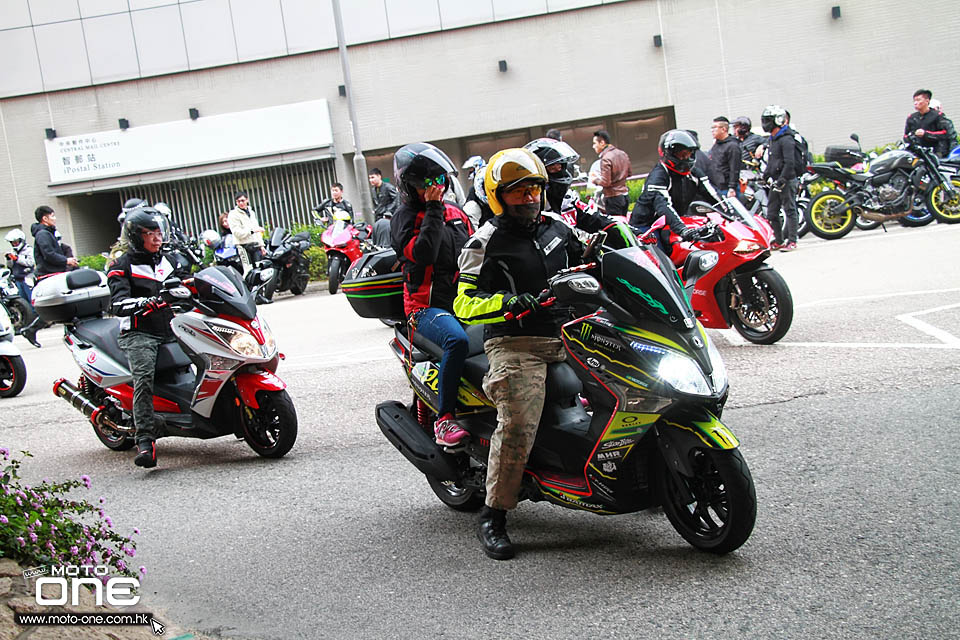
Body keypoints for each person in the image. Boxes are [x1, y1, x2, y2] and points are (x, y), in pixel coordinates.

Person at [454, 148, 583, 561]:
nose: (528, 198)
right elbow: (464, 302)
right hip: (516, 342)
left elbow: (589, 257)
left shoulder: (559, 228)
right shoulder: (485, 241)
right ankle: (494, 515)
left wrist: (616, 242)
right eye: (518, 192)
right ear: (498, 197)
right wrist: (509, 303)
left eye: (534, 189)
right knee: (518, 421)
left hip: (572, 332)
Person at [390, 143, 474, 447]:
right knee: (457, 340)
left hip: (465, 302)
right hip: (425, 309)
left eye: (439, 181)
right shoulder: (403, 219)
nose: (434, 188)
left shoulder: (457, 213)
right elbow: (423, 254)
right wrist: (435, 209)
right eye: (426, 183)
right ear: (409, 187)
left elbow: (476, 253)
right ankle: (445, 419)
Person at [106, 208, 179, 469]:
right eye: (150, 234)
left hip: (173, 327)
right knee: (144, 377)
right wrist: (143, 302)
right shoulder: (121, 265)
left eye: (159, 232)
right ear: (137, 237)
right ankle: (145, 438)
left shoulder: (170, 260)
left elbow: (192, 281)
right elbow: (117, 303)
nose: (157, 239)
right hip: (140, 332)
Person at [630, 130, 719, 256]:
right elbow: (664, 206)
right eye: (682, 155)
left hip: (674, 221)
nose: (686, 158)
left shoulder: (694, 174)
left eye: (688, 154)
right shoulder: (659, 175)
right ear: (669, 153)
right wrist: (682, 230)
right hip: (648, 226)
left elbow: (714, 196)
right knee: (660, 262)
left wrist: (733, 215)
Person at [523, 137, 621, 235]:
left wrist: (631, 232)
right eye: (553, 167)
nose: (560, 171)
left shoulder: (567, 201)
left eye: (560, 166)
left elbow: (595, 219)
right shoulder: (529, 213)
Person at [761, 105, 800, 251]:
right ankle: (779, 240)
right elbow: (773, 161)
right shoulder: (773, 139)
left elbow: (790, 162)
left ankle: (792, 241)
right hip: (775, 181)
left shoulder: (786, 139)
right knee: (772, 212)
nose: (766, 124)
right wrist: (766, 175)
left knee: (790, 209)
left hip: (786, 180)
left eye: (768, 120)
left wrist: (782, 179)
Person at [590, 130, 631, 216]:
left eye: (594, 143)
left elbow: (606, 182)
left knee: (615, 226)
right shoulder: (622, 153)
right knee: (624, 225)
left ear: (602, 143)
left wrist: (595, 180)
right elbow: (629, 173)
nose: (593, 146)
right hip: (625, 195)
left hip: (613, 198)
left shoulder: (606, 158)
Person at [31, 205, 78, 279]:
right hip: (49, 274)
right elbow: (49, 254)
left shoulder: (47, 233)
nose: (55, 218)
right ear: (45, 218)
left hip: (54, 273)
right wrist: (66, 260)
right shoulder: (43, 234)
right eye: (52, 216)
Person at [905, 89, 952, 157]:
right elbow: (906, 136)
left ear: (927, 100)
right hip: (918, 154)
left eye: (918, 100)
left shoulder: (937, 115)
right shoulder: (911, 118)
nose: (915, 103)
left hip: (936, 153)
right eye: (914, 101)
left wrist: (926, 134)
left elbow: (945, 133)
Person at [227, 191, 266, 268]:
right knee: (248, 268)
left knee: (259, 267)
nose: (241, 203)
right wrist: (251, 231)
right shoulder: (233, 214)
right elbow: (236, 232)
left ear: (247, 200)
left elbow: (256, 229)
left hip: (255, 244)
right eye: (238, 201)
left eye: (243, 200)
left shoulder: (251, 212)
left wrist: (261, 245)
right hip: (243, 245)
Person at [707, 117, 741, 199]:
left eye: (715, 127)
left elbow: (734, 168)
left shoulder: (732, 146)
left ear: (723, 129)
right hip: (716, 187)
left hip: (727, 188)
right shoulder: (716, 145)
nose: (712, 130)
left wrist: (732, 188)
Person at [4, 229, 35, 304]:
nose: (14, 244)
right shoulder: (13, 251)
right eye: (12, 243)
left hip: (27, 278)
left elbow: (31, 262)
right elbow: (10, 266)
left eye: (16, 242)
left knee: (31, 299)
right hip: (18, 279)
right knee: (23, 302)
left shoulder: (28, 250)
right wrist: (9, 259)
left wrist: (17, 258)